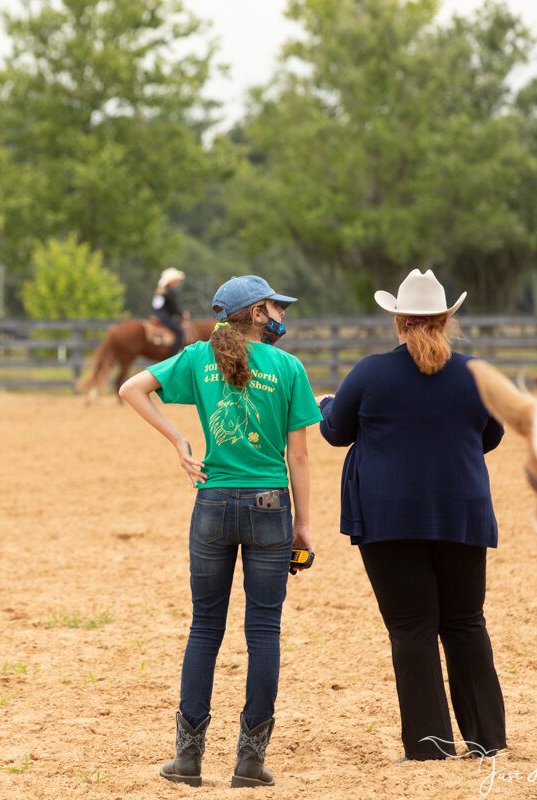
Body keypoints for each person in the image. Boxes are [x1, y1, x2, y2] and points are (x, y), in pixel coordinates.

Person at [119, 275, 321, 788]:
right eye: (276, 307)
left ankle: (188, 759)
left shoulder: (195, 357)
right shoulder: (289, 368)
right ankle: (250, 761)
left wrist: (178, 440)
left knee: (205, 629)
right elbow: (297, 456)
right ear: (257, 313)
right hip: (270, 505)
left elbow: (131, 389)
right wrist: (303, 524)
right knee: (264, 632)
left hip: (212, 502)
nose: (281, 315)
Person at [317, 268, 506, 762]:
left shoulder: (369, 372)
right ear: (446, 321)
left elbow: (336, 432)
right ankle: (486, 740)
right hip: (461, 513)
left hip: (389, 518)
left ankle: (428, 746)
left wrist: (328, 404)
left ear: (399, 321)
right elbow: (492, 436)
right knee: (465, 623)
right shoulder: (476, 374)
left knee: (411, 629)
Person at [152, 268, 187, 356]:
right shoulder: (170, 292)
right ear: (172, 282)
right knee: (180, 332)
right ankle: (174, 355)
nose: (178, 283)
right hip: (165, 317)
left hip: (158, 316)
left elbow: (156, 306)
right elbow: (173, 308)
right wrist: (182, 314)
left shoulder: (160, 291)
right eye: (177, 281)